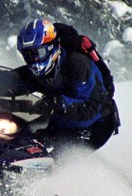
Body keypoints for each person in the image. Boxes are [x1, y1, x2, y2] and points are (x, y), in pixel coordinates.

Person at [15, 18, 118, 150]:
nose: (34, 60)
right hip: (62, 121)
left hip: (95, 125)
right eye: (28, 55)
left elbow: (92, 107)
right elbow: (13, 79)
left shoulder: (79, 66)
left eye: (38, 53)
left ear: (51, 47)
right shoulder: (37, 72)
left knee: (54, 154)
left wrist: (59, 104)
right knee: (18, 137)